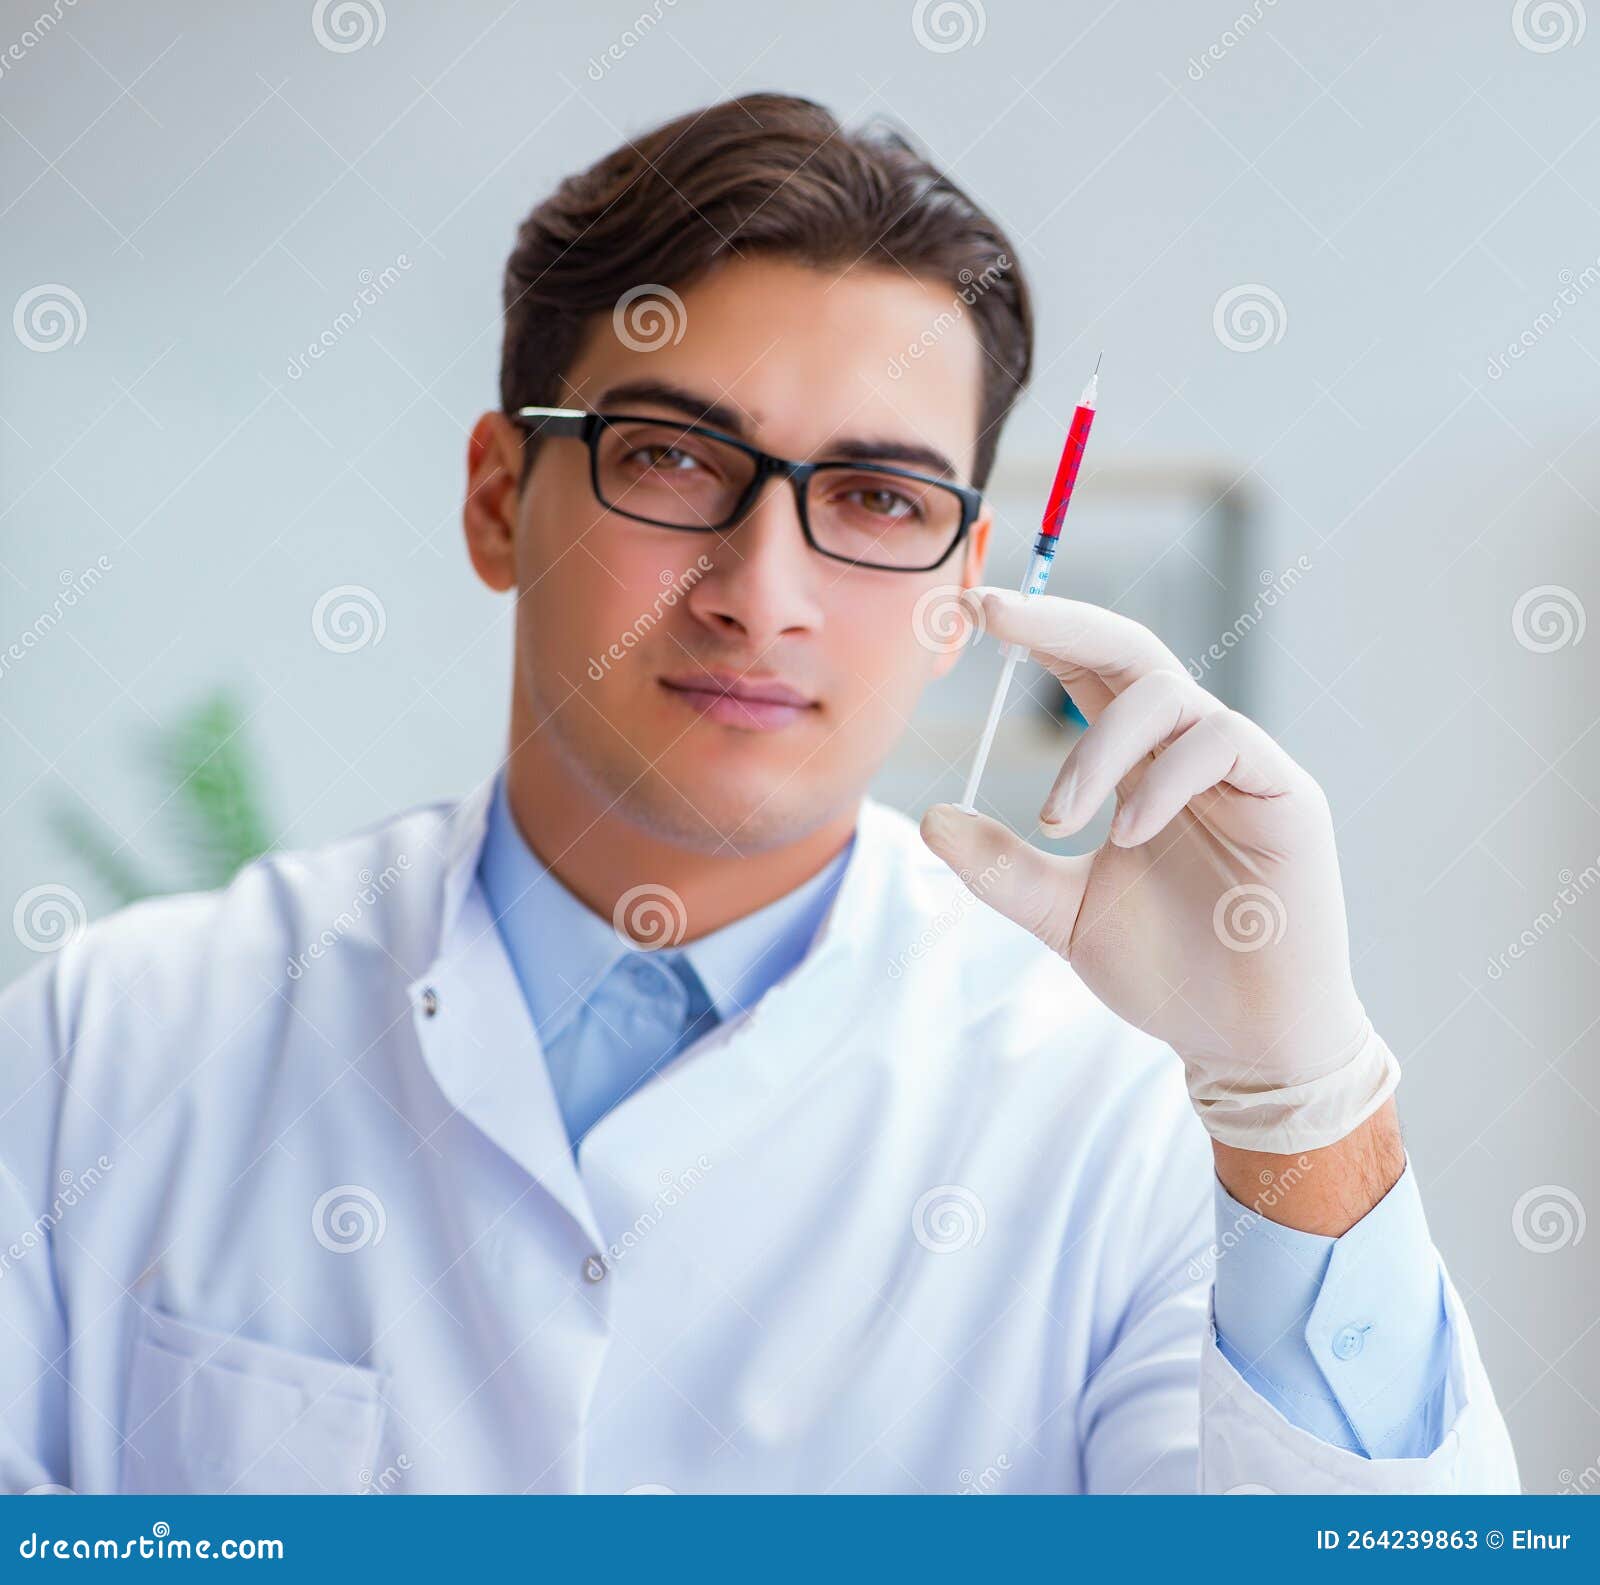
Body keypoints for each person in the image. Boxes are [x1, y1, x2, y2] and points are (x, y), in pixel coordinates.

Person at [0, 92, 1516, 1495]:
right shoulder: (108, 1043)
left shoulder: (1118, 1114)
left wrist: (1303, 1112)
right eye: (669, 458)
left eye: (877, 499)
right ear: (494, 501)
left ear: (959, 589)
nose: (760, 592)